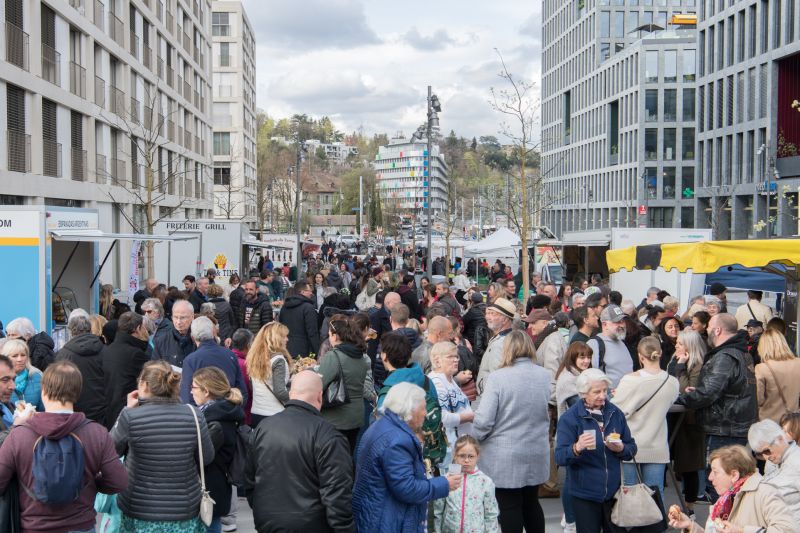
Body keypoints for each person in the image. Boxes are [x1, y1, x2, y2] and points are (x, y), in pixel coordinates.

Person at [0, 359, 129, 532]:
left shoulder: (20, 434)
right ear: (78, 392)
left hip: (34, 526)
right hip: (81, 524)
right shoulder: (96, 433)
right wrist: (89, 481)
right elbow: (118, 481)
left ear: (43, 391)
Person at [111, 360, 214, 533]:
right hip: (185, 509)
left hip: (139, 509)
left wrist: (125, 410)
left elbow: (110, 450)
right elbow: (207, 457)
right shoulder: (194, 415)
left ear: (144, 385)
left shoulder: (130, 417)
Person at [245, 371, 355, 532]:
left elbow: (249, 480)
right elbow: (337, 495)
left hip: (268, 522)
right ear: (320, 396)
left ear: (290, 393)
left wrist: (262, 512)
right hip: (311, 525)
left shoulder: (263, 427)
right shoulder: (328, 435)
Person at [353, 382, 459, 533]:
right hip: (387, 521)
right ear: (409, 409)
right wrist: (444, 484)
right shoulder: (398, 440)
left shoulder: (381, 426)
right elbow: (407, 489)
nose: (425, 413)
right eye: (422, 408)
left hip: (376, 516)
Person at [473, 330, 550, 533]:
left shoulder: (498, 378)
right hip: (536, 448)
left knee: (509, 506)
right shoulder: (544, 375)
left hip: (505, 452)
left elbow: (484, 420)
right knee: (531, 503)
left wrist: (475, 438)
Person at [555, 368, 637, 532]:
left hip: (613, 493)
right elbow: (559, 457)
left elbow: (631, 448)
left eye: (605, 391)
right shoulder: (570, 418)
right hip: (585, 495)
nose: (603, 396)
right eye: (597, 391)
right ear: (583, 393)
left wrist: (621, 448)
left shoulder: (615, 413)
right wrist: (576, 448)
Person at [676, 313, 756, 463]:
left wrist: (681, 399)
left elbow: (709, 393)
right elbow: (728, 388)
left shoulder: (725, 356)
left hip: (723, 429)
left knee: (718, 478)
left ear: (718, 330)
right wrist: (699, 391)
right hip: (732, 427)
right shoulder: (742, 353)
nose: (706, 330)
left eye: (710, 327)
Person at [611, 337, 679, 498]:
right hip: (657, 443)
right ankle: (656, 524)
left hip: (630, 444)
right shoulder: (672, 382)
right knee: (656, 493)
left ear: (640, 356)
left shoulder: (630, 380)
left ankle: (633, 523)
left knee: (630, 492)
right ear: (660, 353)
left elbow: (616, 409)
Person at [668, 445, 793, 533]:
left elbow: (789, 530)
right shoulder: (723, 500)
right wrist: (690, 526)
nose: (710, 477)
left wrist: (741, 531)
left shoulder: (765, 492)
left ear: (734, 475)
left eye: (715, 472)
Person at [190, 367, 245, 533]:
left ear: (206, 391)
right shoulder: (224, 413)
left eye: (193, 387)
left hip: (208, 490)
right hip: (217, 487)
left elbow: (200, 456)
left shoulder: (213, 420)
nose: (190, 391)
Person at [667, 329, 708, 515]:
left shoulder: (697, 365)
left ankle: (689, 507)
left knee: (689, 466)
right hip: (672, 417)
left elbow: (686, 391)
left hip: (689, 422)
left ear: (690, 347)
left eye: (680, 343)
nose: (676, 345)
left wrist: (682, 366)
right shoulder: (674, 360)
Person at [554, 341, 592, 532]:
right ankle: (570, 520)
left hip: (583, 433)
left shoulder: (582, 375)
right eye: (582, 357)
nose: (586, 361)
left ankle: (568, 516)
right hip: (571, 435)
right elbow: (579, 404)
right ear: (573, 358)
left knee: (576, 478)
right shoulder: (568, 379)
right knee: (571, 479)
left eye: (588, 356)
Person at [318, 314, 370, 453]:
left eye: (330, 334)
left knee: (335, 459)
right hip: (356, 415)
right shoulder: (361, 356)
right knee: (349, 454)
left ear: (335, 336)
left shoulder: (333, 356)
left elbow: (319, 384)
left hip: (336, 417)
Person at [432, 435, 500, 533]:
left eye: (471, 456)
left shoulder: (485, 482)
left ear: (478, 456)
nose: (466, 460)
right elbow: (438, 510)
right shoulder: (446, 480)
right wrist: (437, 530)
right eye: (462, 456)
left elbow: (491, 514)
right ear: (455, 455)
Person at [179, 317, 248, 406]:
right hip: (230, 413)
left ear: (192, 337)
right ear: (213, 333)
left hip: (204, 416)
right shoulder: (230, 355)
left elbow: (187, 398)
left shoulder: (191, 360)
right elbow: (242, 392)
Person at [428, 341, 474, 469]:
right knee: (452, 486)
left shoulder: (450, 380)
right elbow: (441, 418)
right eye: (450, 357)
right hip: (449, 453)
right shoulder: (436, 382)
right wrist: (469, 417)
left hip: (459, 450)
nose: (456, 360)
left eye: (456, 356)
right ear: (437, 361)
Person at [102, 311, 151, 430]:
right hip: (129, 410)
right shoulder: (136, 354)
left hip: (108, 411)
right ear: (138, 329)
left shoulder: (107, 350)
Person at [56, 312, 106, 425]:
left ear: (71, 331)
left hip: (74, 414)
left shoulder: (63, 355)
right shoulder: (104, 350)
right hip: (101, 412)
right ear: (89, 329)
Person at [747, 420, 800, 520]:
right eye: (759, 454)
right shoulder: (773, 462)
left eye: (767, 451)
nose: (766, 457)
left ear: (780, 439)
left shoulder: (797, 462)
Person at [246, 322, 292, 427]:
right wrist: (296, 397)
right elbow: (280, 392)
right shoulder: (279, 360)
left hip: (256, 412)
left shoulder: (255, 358)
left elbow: (252, 386)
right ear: (276, 339)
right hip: (275, 414)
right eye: (284, 336)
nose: (287, 339)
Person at [755, 328, 800, 423]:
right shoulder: (798, 363)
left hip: (770, 423)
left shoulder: (762, 368)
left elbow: (758, 400)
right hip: (793, 423)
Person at [475, 297, 516, 398]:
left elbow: (498, 379)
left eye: (493, 314)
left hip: (493, 397)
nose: (487, 317)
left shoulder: (501, 343)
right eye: (488, 314)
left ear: (505, 319)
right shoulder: (505, 337)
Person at [586, 304, 632, 388]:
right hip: (609, 398)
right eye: (617, 322)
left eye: (622, 321)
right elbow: (591, 378)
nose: (622, 325)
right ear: (604, 325)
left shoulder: (621, 341)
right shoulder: (595, 344)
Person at [278, 281, 321, 358]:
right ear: (302, 292)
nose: (311, 293)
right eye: (309, 291)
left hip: (286, 348)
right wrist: (317, 351)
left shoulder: (284, 307)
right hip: (303, 350)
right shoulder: (308, 308)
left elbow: (280, 327)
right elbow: (312, 333)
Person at [1, 339, 44, 412]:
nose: (19, 359)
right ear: (6, 358)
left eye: (23, 355)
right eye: (14, 356)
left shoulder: (37, 376)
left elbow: (43, 408)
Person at [152, 299, 196, 368]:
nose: (178, 322)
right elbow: (155, 368)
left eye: (183, 317)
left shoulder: (200, 339)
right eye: (175, 317)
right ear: (172, 317)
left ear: (192, 317)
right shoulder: (161, 340)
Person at [229, 328, 254, 424]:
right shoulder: (245, 364)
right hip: (245, 412)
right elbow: (249, 389)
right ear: (248, 345)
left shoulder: (227, 357)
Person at [462, 291, 489, 363]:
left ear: (472, 301)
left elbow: (463, 322)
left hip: (473, 338)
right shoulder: (488, 309)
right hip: (486, 336)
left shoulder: (472, 311)